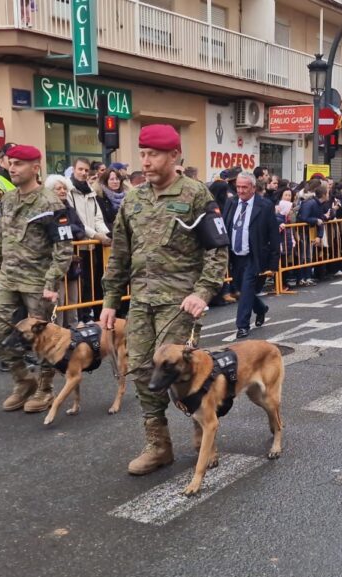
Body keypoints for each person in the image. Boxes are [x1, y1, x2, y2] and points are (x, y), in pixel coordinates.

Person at [100, 124, 226, 476]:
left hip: (179, 303)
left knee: (180, 370)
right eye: (142, 154)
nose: (146, 161)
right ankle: (158, 445)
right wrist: (110, 299)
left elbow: (217, 250)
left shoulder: (196, 195)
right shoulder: (134, 199)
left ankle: (204, 431)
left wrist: (203, 292)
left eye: (153, 154)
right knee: (141, 369)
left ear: (174, 156)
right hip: (140, 300)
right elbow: (119, 253)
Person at [0, 145, 72, 413]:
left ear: (35, 167)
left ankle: (45, 389)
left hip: (38, 281)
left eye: (19, 164)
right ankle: (24, 381)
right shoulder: (8, 199)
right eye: (10, 162)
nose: (12, 168)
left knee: (43, 339)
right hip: (9, 278)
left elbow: (64, 246)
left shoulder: (51, 203)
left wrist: (52, 282)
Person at [223, 173, 279, 339]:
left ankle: (242, 325)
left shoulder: (264, 205)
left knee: (247, 288)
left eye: (244, 187)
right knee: (242, 289)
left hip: (253, 256)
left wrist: (274, 262)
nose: (240, 190)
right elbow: (226, 227)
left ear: (253, 188)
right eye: (238, 187)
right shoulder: (231, 203)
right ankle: (261, 309)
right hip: (235, 255)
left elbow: (273, 234)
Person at [45, 174, 89, 328]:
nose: (63, 191)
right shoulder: (48, 210)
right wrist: (71, 230)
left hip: (72, 263)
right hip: (55, 263)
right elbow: (54, 232)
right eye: (59, 188)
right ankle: (58, 329)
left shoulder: (69, 209)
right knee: (60, 300)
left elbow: (81, 230)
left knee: (73, 299)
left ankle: (74, 329)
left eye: (64, 188)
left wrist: (70, 230)